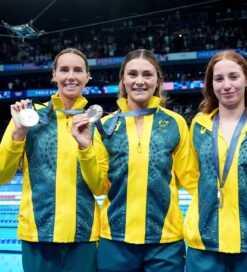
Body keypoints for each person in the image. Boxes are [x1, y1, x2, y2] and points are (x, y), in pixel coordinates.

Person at [71, 49, 195, 272]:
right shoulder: (105, 126)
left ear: (158, 80)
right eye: (133, 74)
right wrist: (85, 147)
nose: (140, 81)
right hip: (115, 240)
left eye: (147, 74)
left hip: (165, 242)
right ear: (123, 80)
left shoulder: (176, 123)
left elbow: (192, 179)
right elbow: (99, 187)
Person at [0, 48, 99, 272]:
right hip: (36, 234)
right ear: (54, 75)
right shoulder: (28, 117)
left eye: (77, 70)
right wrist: (18, 134)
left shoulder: (96, 125)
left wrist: (86, 148)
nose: (70, 76)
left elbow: (100, 186)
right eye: (64, 70)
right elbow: (2, 174)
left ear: (87, 77)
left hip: (83, 235)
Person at [183, 50, 247, 272]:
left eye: (233, 77)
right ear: (211, 85)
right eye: (219, 79)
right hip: (203, 240)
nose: (226, 85)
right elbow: (190, 174)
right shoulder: (199, 125)